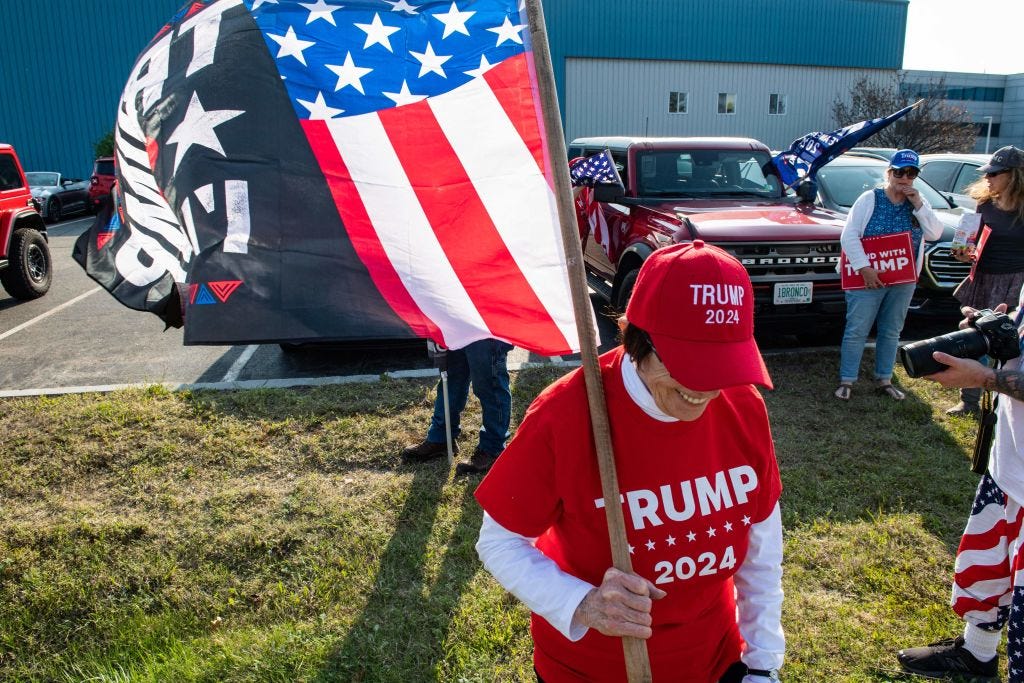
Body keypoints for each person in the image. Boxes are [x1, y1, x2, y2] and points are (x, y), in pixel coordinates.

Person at [473, 241, 785, 682]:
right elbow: (499, 542)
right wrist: (584, 603)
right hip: (591, 669)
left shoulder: (742, 404)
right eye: (691, 365)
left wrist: (763, 663)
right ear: (638, 340)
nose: (707, 389)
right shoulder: (566, 414)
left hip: (713, 659)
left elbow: (761, 547)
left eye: (723, 364)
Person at [896, 294, 1024, 682]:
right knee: (988, 568)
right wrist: (999, 330)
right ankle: (977, 651)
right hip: (1010, 464)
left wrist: (984, 378)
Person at [834, 148, 944, 401]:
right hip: (866, 278)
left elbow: (935, 233)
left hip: (902, 280)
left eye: (910, 173)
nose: (904, 178)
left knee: (892, 330)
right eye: (899, 172)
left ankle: (884, 378)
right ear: (889, 173)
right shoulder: (869, 199)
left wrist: (918, 204)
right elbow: (849, 235)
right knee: (857, 330)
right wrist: (864, 268)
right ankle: (847, 380)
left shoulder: (918, 202)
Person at [945, 145, 1024, 417]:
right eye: (987, 173)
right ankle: (969, 401)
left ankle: (1004, 400)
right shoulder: (985, 203)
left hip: (1014, 283)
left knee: (1007, 343)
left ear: (1014, 175)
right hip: (982, 278)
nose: (987, 178)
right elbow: (971, 242)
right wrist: (963, 254)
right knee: (974, 335)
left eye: (995, 173)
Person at [400, 338, 513, 476]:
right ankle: (441, 437)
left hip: (486, 328)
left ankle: (493, 448)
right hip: (458, 324)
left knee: (490, 382)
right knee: (451, 377)